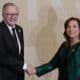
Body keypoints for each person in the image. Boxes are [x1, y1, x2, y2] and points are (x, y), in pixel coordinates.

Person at [0, 3, 31, 80]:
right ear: (3, 15)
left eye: (15, 14)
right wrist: (24, 66)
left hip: (18, 76)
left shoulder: (19, 29)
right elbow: (3, 57)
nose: (13, 17)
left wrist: (23, 68)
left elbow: (19, 55)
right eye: (9, 14)